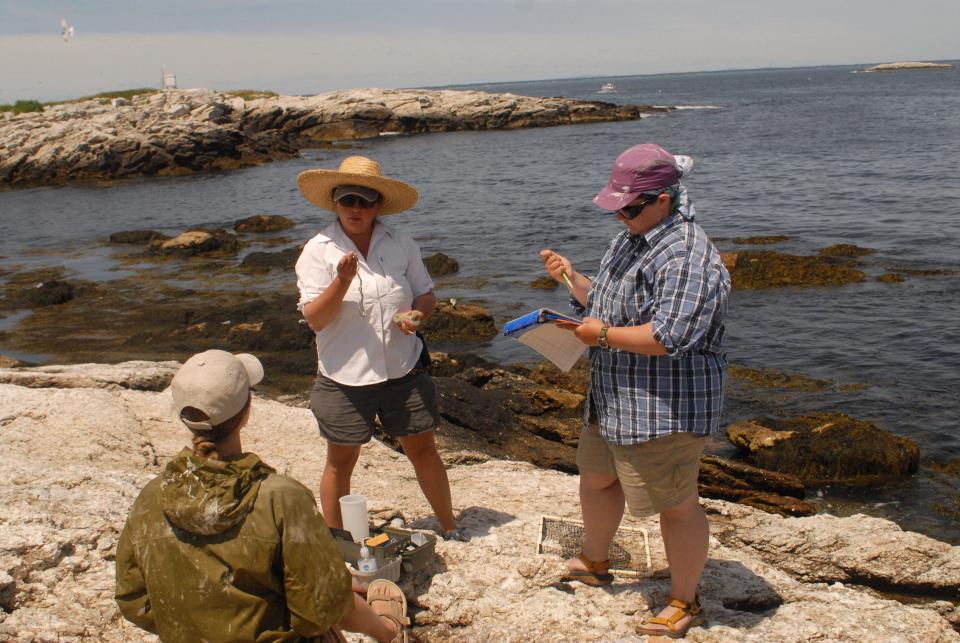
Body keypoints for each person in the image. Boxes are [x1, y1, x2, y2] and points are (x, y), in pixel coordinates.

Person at [539, 144, 729, 639]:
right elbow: (605, 302)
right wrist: (572, 278)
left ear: (663, 199)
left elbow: (670, 335)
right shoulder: (634, 237)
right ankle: (594, 559)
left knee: (676, 503)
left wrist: (598, 335)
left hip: (662, 407)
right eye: (617, 206)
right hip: (614, 397)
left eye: (630, 206)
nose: (621, 214)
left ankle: (685, 600)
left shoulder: (687, 252)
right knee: (597, 478)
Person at [115, 349, 410, 643]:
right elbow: (323, 608)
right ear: (247, 411)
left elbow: (133, 600)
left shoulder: (151, 498)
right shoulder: (280, 498)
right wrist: (371, 618)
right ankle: (389, 631)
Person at [295, 156, 465, 542]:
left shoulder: (400, 242)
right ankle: (337, 543)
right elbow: (315, 319)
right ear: (335, 202)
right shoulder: (318, 250)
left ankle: (451, 528)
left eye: (365, 200)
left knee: (423, 450)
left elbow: (425, 295)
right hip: (344, 374)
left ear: (377, 205)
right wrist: (341, 280)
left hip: (403, 370)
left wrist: (416, 317)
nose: (356, 208)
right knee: (341, 463)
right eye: (347, 199)